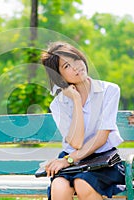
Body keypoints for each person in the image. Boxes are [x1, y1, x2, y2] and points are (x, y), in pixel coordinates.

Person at [40, 41, 125, 200]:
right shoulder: (59, 104)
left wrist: (69, 160)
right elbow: (76, 142)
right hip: (71, 158)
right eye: (66, 66)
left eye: (75, 60)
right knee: (59, 188)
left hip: (102, 159)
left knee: (83, 183)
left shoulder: (109, 91)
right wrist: (76, 101)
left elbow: (101, 138)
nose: (75, 67)